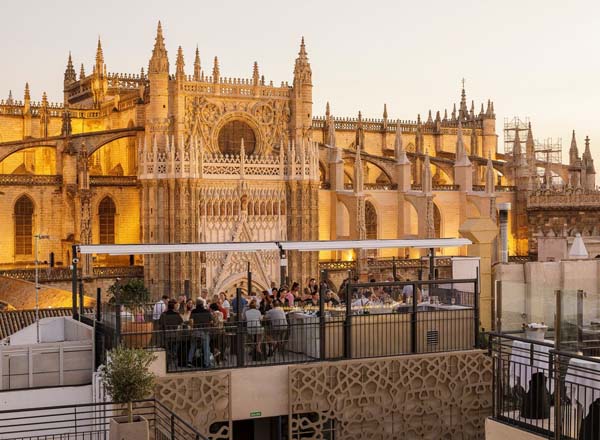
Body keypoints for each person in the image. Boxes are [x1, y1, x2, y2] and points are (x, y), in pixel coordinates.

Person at [188, 299, 213, 368]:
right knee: (206, 347)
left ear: (196, 304)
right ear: (202, 304)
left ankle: (189, 361)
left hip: (195, 331)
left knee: (192, 346)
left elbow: (191, 321)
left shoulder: (193, 311)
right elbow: (211, 322)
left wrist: (192, 328)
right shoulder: (207, 311)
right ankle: (206, 363)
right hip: (205, 331)